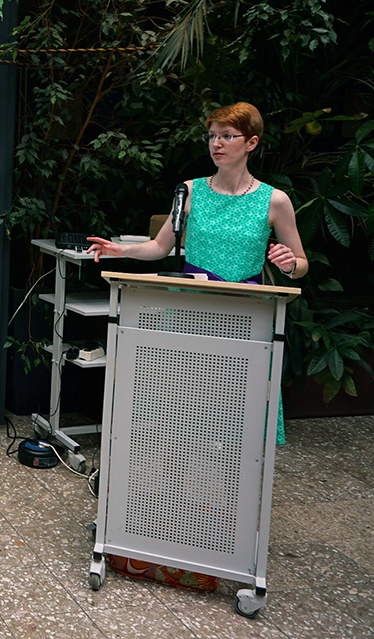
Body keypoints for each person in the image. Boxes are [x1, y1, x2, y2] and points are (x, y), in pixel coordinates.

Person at [86, 101, 306, 443]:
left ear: (251, 142)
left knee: (236, 414)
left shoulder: (274, 200)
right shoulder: (189, 190)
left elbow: (301, 264)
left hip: (244, 315)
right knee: (181, 408)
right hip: (189, 308)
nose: (216, 143)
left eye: (227, 136)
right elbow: (161, 246)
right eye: (212, 136)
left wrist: (289, 264)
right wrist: (121, 250)